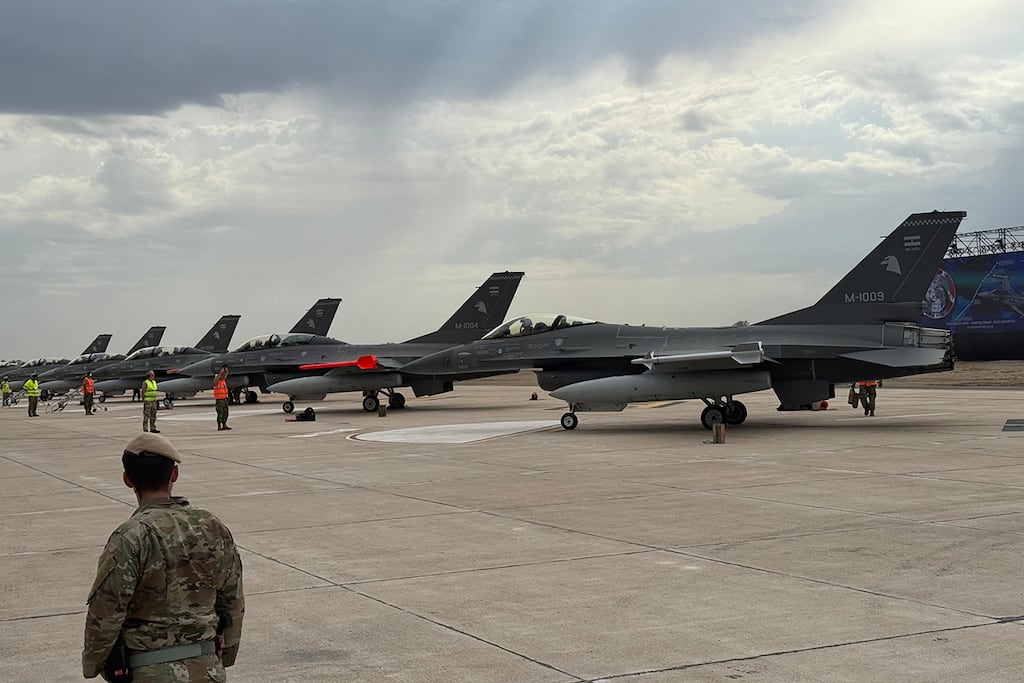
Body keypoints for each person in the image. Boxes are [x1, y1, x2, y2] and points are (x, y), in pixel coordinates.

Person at [82, 433, 245, 681]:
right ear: (174, 475)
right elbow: (232, 599)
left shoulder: (130, 537)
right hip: (208, 670)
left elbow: (106, 611)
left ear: (127, 480)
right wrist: (227, 653)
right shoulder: (212, 527)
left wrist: (96, 665)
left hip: (150, 672)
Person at [213, 366, 231, 431]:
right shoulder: (216, 382)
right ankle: (219, 426)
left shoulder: (223, 381)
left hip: (225, 399)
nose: (222, 376)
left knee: (226, 413)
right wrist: (221, 371)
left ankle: (224, 425)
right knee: (220, 413)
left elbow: (225, 375)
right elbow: (218, 377)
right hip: (219, 400)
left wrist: (226, 370)